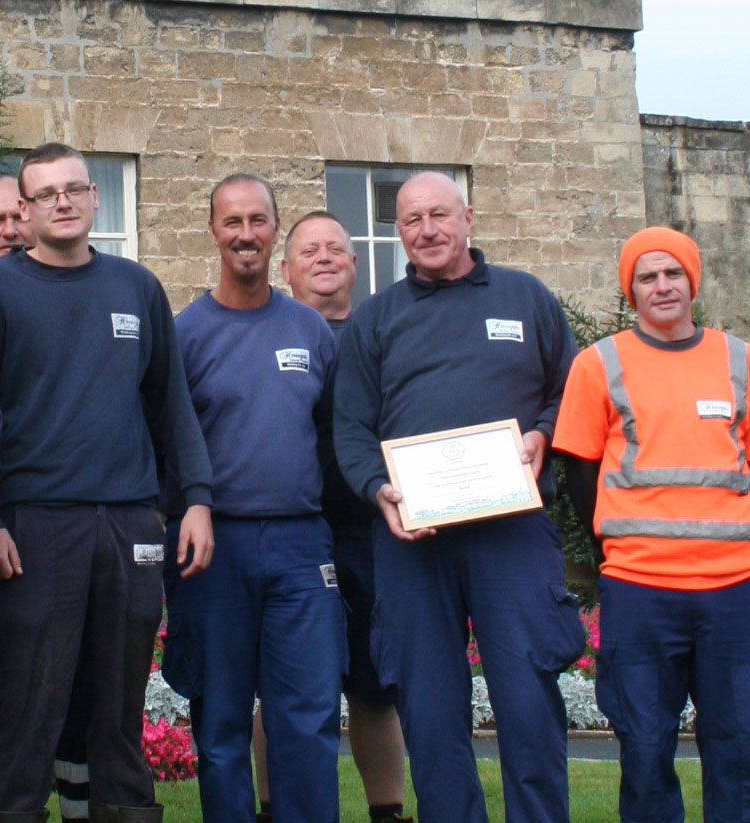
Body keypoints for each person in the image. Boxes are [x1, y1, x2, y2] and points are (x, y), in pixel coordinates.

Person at [0, 141, 214, 823]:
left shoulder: (136, 286)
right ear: (25, 208)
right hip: (33, 524)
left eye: (75, 188)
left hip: (130, 522)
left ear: (95, 197)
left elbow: (171, 407)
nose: (64, 202)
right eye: (46, 194)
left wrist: (195, 500)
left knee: (118, 711)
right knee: (28, 709)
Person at [333, 171, 585, 823]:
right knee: (430, 711)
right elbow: (352, 427)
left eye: (439, 214)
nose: (427, 229)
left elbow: (574, 391)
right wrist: (376, 489)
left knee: (528, 702)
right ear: (399, 233)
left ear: (467, 216)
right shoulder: (375, 319)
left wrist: (544, 433)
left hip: (513, 536)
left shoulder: (526, 298)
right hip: (414, 541)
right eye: (411, 220)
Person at [552, 226, 750, 823]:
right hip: (639, 587)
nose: (662, 286)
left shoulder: (743, 361)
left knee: (736, 746)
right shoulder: (597, 364)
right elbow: (578, 471)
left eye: (673, 273)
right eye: (647, 277)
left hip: (732, 587)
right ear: (631, 292)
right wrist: (618, 544)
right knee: (645, 747)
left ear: (692, 281)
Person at [160, 178, 343, 823]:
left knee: (309, 719)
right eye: (232, 221)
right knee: (221, 724)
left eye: (258, 221)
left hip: (300, 547)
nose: (245, 234)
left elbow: (330, 437)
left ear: (275, 230)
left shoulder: (310, 332)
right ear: (212, 230)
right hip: (214, 550)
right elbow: (167, 445)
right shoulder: (184, 335)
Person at [0, 176, 90, 823]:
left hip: (63, 525)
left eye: (19, 215)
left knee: (71, 682)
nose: (11, 228)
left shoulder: (70, 306)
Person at [274, 210, 411, 823]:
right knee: (280, 692)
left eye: (336, 248)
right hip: (291, 532)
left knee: (376, 690)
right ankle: (273, 808)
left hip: (372, 535)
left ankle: (387, 813)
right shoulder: (266, 331)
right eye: (309, 250)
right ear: (287, 269)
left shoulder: (384, 336)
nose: (324, 258)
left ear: (355, 264)